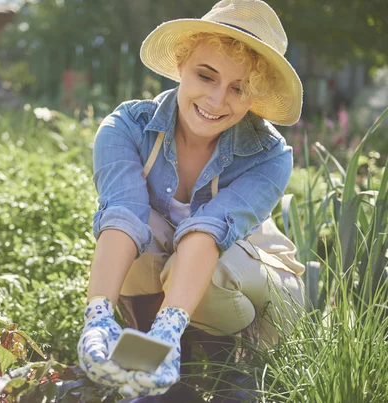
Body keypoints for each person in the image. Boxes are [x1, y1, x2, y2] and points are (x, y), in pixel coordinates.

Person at [77, 0, 307, 401]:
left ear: (254, 96)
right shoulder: (127, 128)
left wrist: (170, 323)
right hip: (177, 275)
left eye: (239, 88)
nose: (217, 100)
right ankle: (158, 362)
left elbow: (206, 233)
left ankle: (236, 370)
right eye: (206, 75)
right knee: (138, 236)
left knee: (209, 268)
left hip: (252, 283)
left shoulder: (270, 155)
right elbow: (122, 217)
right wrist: (97, 314)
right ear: (182, 64)